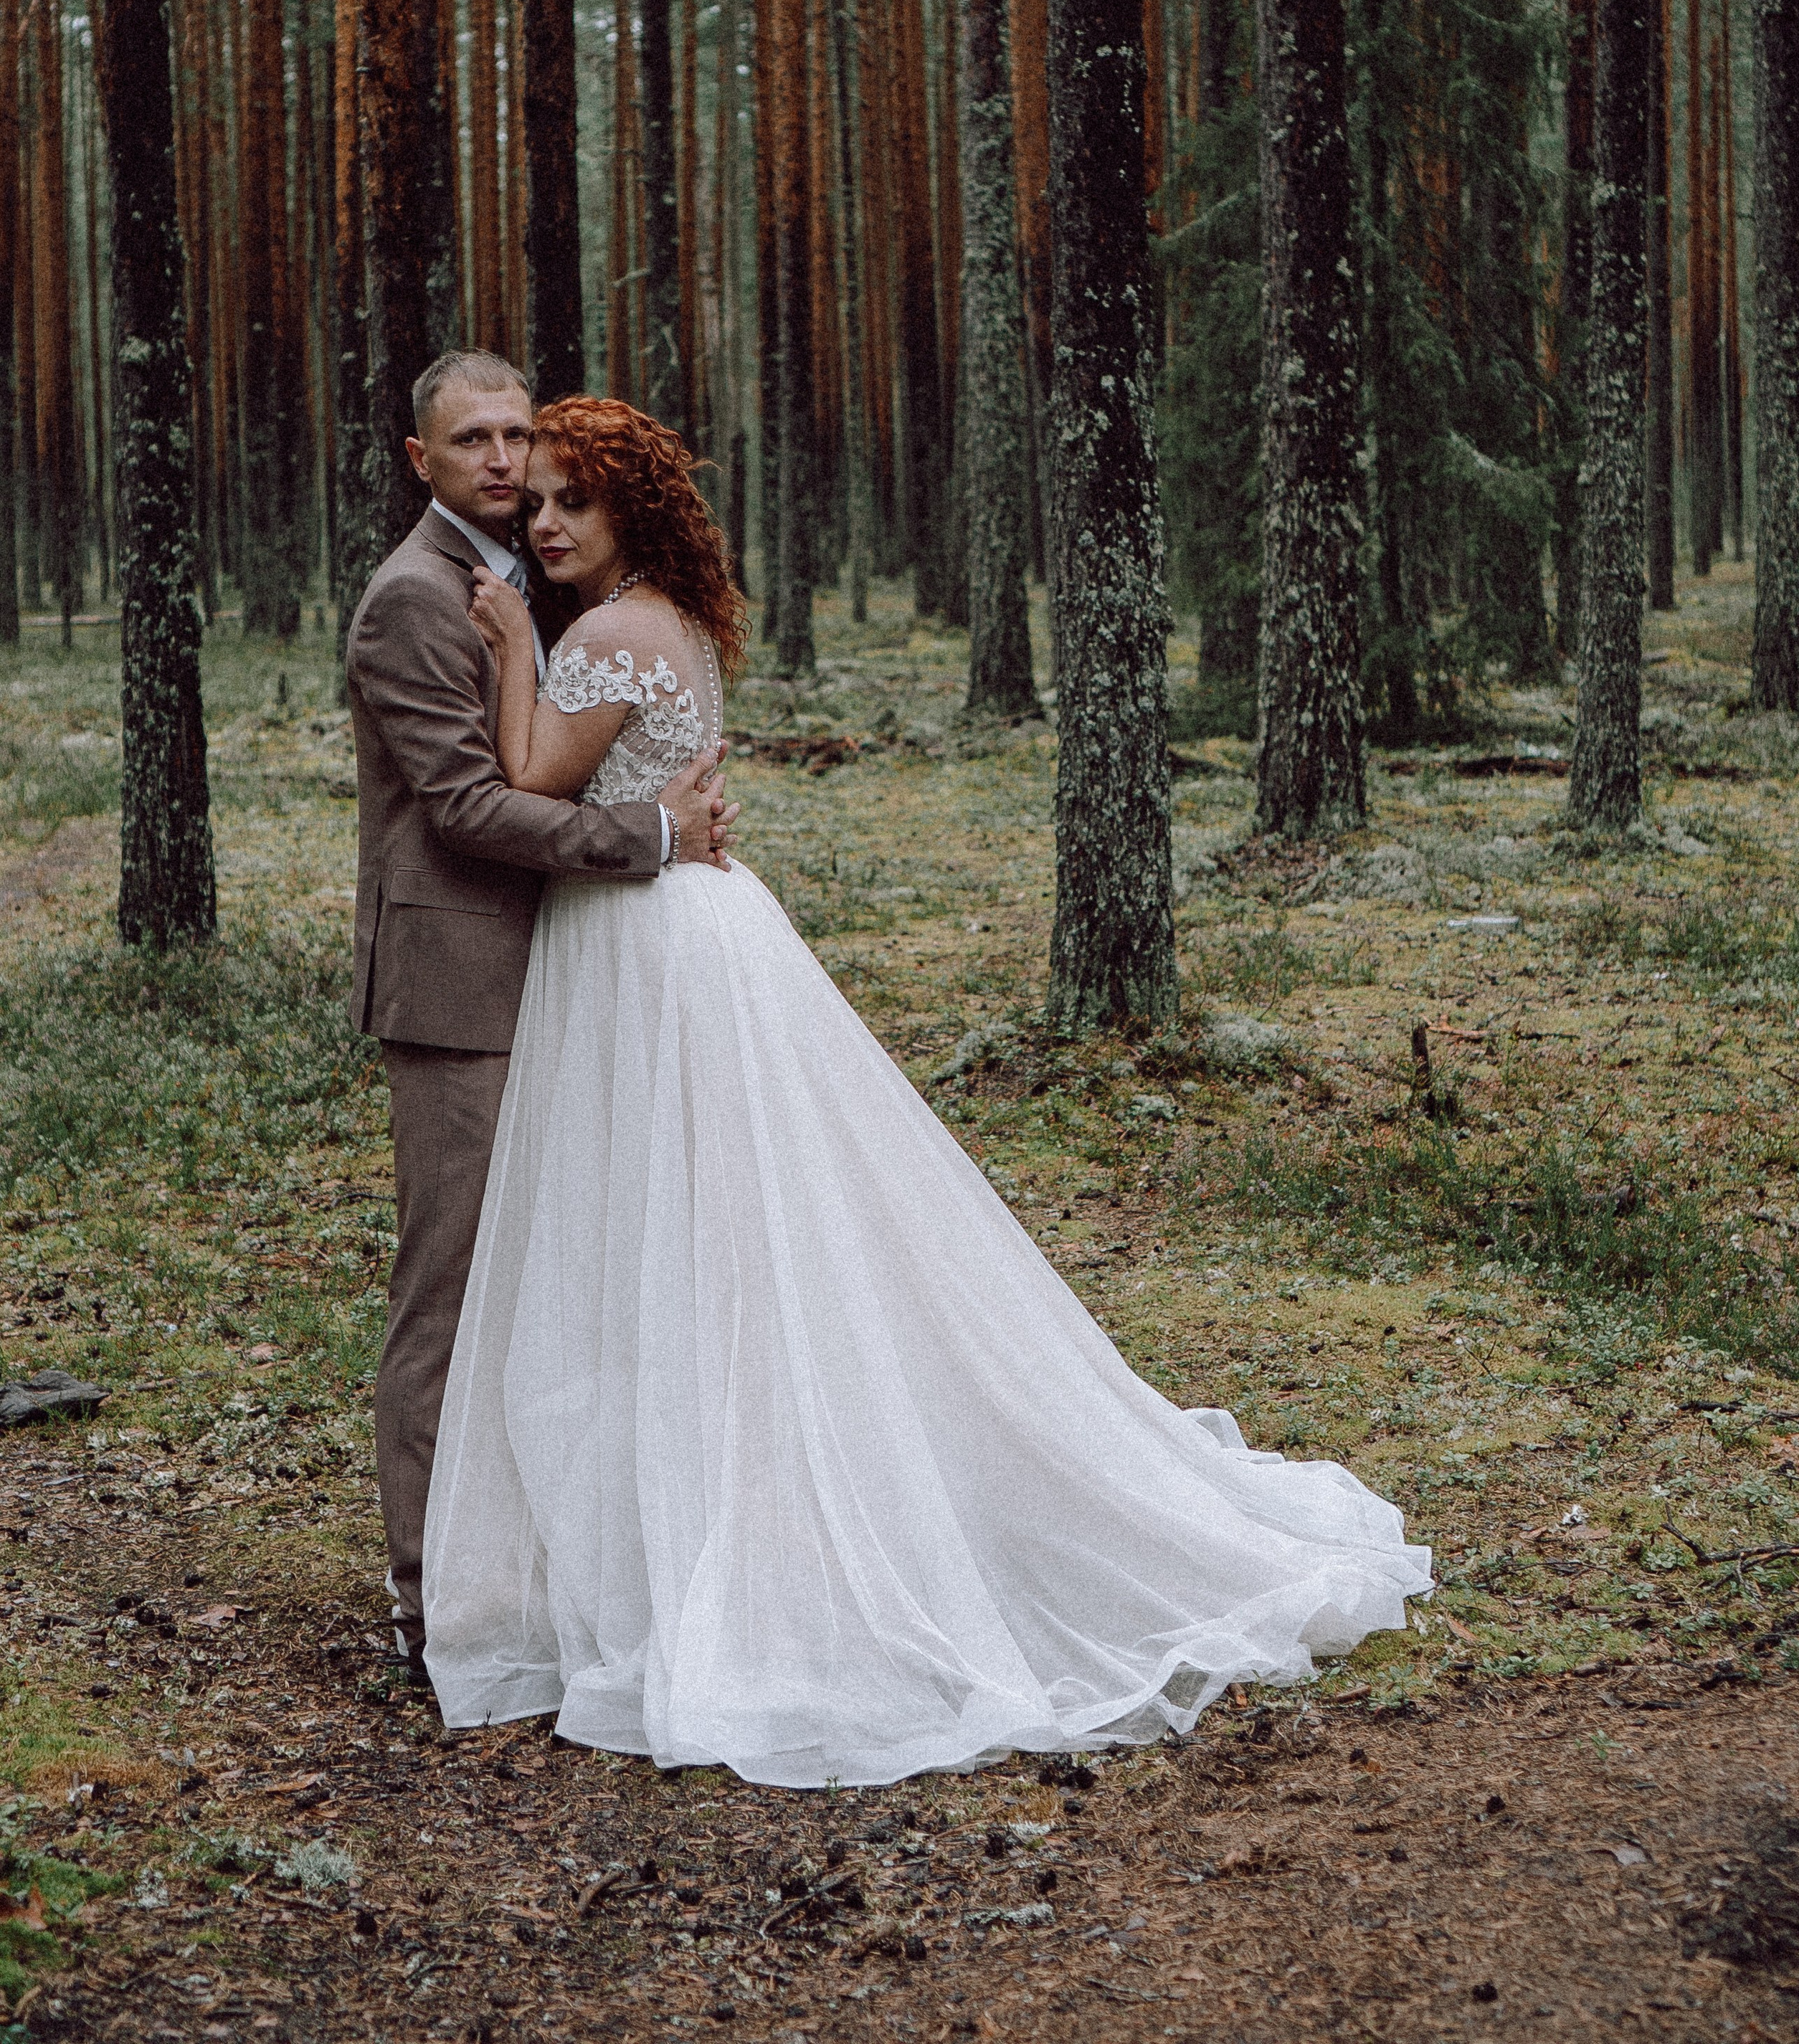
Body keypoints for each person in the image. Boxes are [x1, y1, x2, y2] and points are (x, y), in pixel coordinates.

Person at [422, 394, 1429, 1787]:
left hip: (648, 945)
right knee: (711, 1234)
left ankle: (725, 1538)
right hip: (677, 927)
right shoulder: (673, 622)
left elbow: (531, 776)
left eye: (571, 502)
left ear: (631, 511)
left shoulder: (600, 636)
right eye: (533, 505)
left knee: (682, 1237)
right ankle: (688, 1520)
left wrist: (503, 646)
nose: (543, 525)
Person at [345, 351, 731, 1684]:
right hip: (462, 993)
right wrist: (654, 834)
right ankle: (432, 1607)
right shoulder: (415, 598)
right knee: (452, 1296)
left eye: (517, 434)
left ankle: (550, 1573)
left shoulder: (541, 581)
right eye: (474, 440)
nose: (505, 461)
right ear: (423, 459)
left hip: (580, 978)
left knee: (567, 1284)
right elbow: (465, 807)